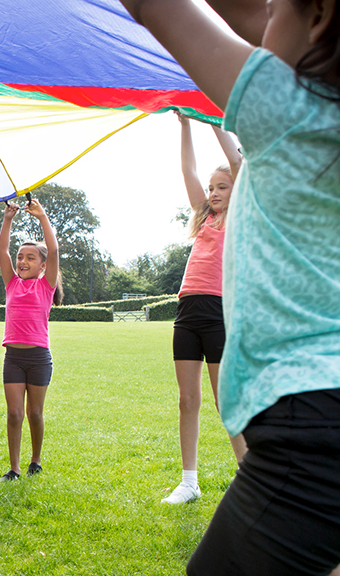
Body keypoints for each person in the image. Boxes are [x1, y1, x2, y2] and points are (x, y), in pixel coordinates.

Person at [119, 1, 340, 574]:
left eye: (276, 7)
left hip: (313, 425)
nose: (262, 23)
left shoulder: (290, 106)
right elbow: (262, 23)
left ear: (320, 16)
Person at [162, 113, 247, 505]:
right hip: (187, 311)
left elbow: (238, 162)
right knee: (187, 400)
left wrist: (213, 120)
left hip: (219, 312)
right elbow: (187, 169)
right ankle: (189, 482)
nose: (213, 192)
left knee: (224, 400)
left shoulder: (241, 216)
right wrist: (185, 125)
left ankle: (249, 476)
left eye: (221, 187)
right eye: (211, 188)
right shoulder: (203, 219)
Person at [0, 198, 61, 482]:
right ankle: (14, 468)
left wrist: (42, 217)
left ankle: (36, 460)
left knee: (35, 413)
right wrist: (7, 219)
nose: (22, 261)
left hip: (38, 359)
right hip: (13, 358)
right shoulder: (12, 283)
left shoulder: (46, 286)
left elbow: (54, 250)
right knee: (14, 413)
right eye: (21, 257)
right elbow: (2, 250)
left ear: (43, 265)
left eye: (30, 258)